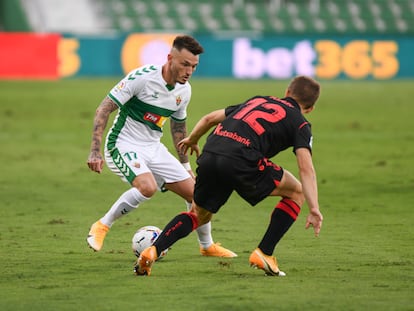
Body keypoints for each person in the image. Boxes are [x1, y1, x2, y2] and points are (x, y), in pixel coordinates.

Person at [134, 75, 323, 276]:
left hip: (212, 152)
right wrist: (314, 208)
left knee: (198, 214)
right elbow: (306, 168)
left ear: (287, 92)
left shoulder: (257, 100)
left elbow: (209, 118)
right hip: (242, 159)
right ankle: (265, 253)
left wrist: (193, 139)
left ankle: (153, 250)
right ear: (310, 108)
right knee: (296, 192)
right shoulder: (301, 123)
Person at [86, 35, 236, 258]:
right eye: (185, 64)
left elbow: (178, 128)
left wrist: (185, 165)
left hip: (153, 148)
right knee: (147, 187)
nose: (189, 71)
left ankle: (206, 246)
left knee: (198, 196)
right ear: (170, 58)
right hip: (123, 144)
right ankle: (102, 225)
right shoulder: (142, 78)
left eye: (194, 67)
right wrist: (95, 151)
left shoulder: (184, 91)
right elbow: (103, 109)